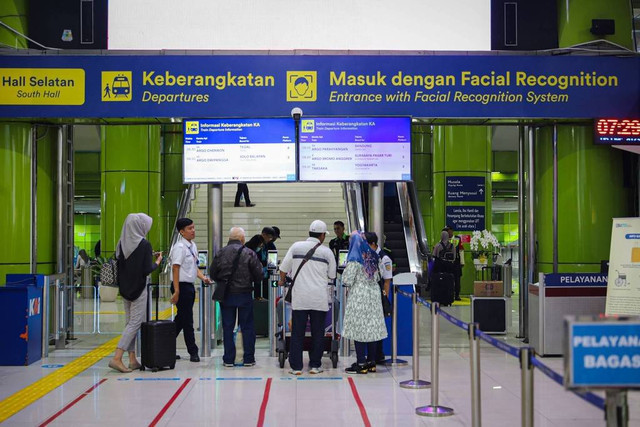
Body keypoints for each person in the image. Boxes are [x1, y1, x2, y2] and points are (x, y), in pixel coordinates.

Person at [279, 220, 336, 375]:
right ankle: (315, 365)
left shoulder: (296, 247)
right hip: (319, 298)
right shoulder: (327, 252)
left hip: (300, 298)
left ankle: (296, 367)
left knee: (297, 333)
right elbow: (332, 275)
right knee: (318, 333)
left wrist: (282, 280)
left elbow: (283, 268)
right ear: (322, 235)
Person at [109, 213, 162, 373]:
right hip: (139, 288)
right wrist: (157, 262)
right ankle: (117, 357)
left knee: (129, 323)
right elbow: (146, 270)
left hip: (124, 288)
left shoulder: (121, 244)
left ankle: (132, 359)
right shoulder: (145, 244)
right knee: (135, 323)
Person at [210, 227, 263, 367]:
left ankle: (228, 359)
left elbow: (213, 273)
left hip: (226, 295)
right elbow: (259, 275)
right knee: (247, 327)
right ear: (242, 239)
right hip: (244, 294)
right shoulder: (249, 253)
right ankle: (248, 358)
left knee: (227, 327)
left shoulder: (220, 252)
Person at [342, 232, 388, 374]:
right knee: (372, 329)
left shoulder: (355, 259)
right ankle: (371, 362)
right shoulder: (375, 256)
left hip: (359, 296)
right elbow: (380, 274)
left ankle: (361, 362)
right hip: (374, 295)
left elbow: (347, 280)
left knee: (359, 329)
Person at [169, 217, 212, 362]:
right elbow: (176, 268)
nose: (193, 231)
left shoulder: (192, 246)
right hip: (180, 286)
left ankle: (164, 344)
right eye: (189, 228)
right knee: (187, 320)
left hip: (189, 286)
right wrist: (176, 291)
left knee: (181, 319)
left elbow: (194, 267)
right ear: (181, 232)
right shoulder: (179, 247)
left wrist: (203, 277)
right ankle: (193, 351)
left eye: (193, 227)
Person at [366, 232, 393, 365]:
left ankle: (378, 354)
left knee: (378, 326)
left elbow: (387, 281)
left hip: (379, 294)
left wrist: (384, 298)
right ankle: (373, 354)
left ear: (373, 244)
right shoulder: (369, 256)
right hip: (370, 294)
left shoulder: (384, 258)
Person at [255, 227, 276, 299]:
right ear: (263, 235)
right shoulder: (255, 243)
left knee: (266, 296)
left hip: (266, 276)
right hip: (256, 276)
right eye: (269, 237)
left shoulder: (271, 245)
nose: (270, 239)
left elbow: (272, 263)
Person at [445, 226, 465, 301]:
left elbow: (461, 251)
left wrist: (462, 262)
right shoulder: (444, 239)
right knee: (448, 280)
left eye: (449, 231)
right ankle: (449, 294)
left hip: (456, 263)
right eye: (446, 231)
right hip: (447, 263)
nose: (448, 233)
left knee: (457, 280)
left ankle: (457, 295)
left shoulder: (457, 239)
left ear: (452, 231)